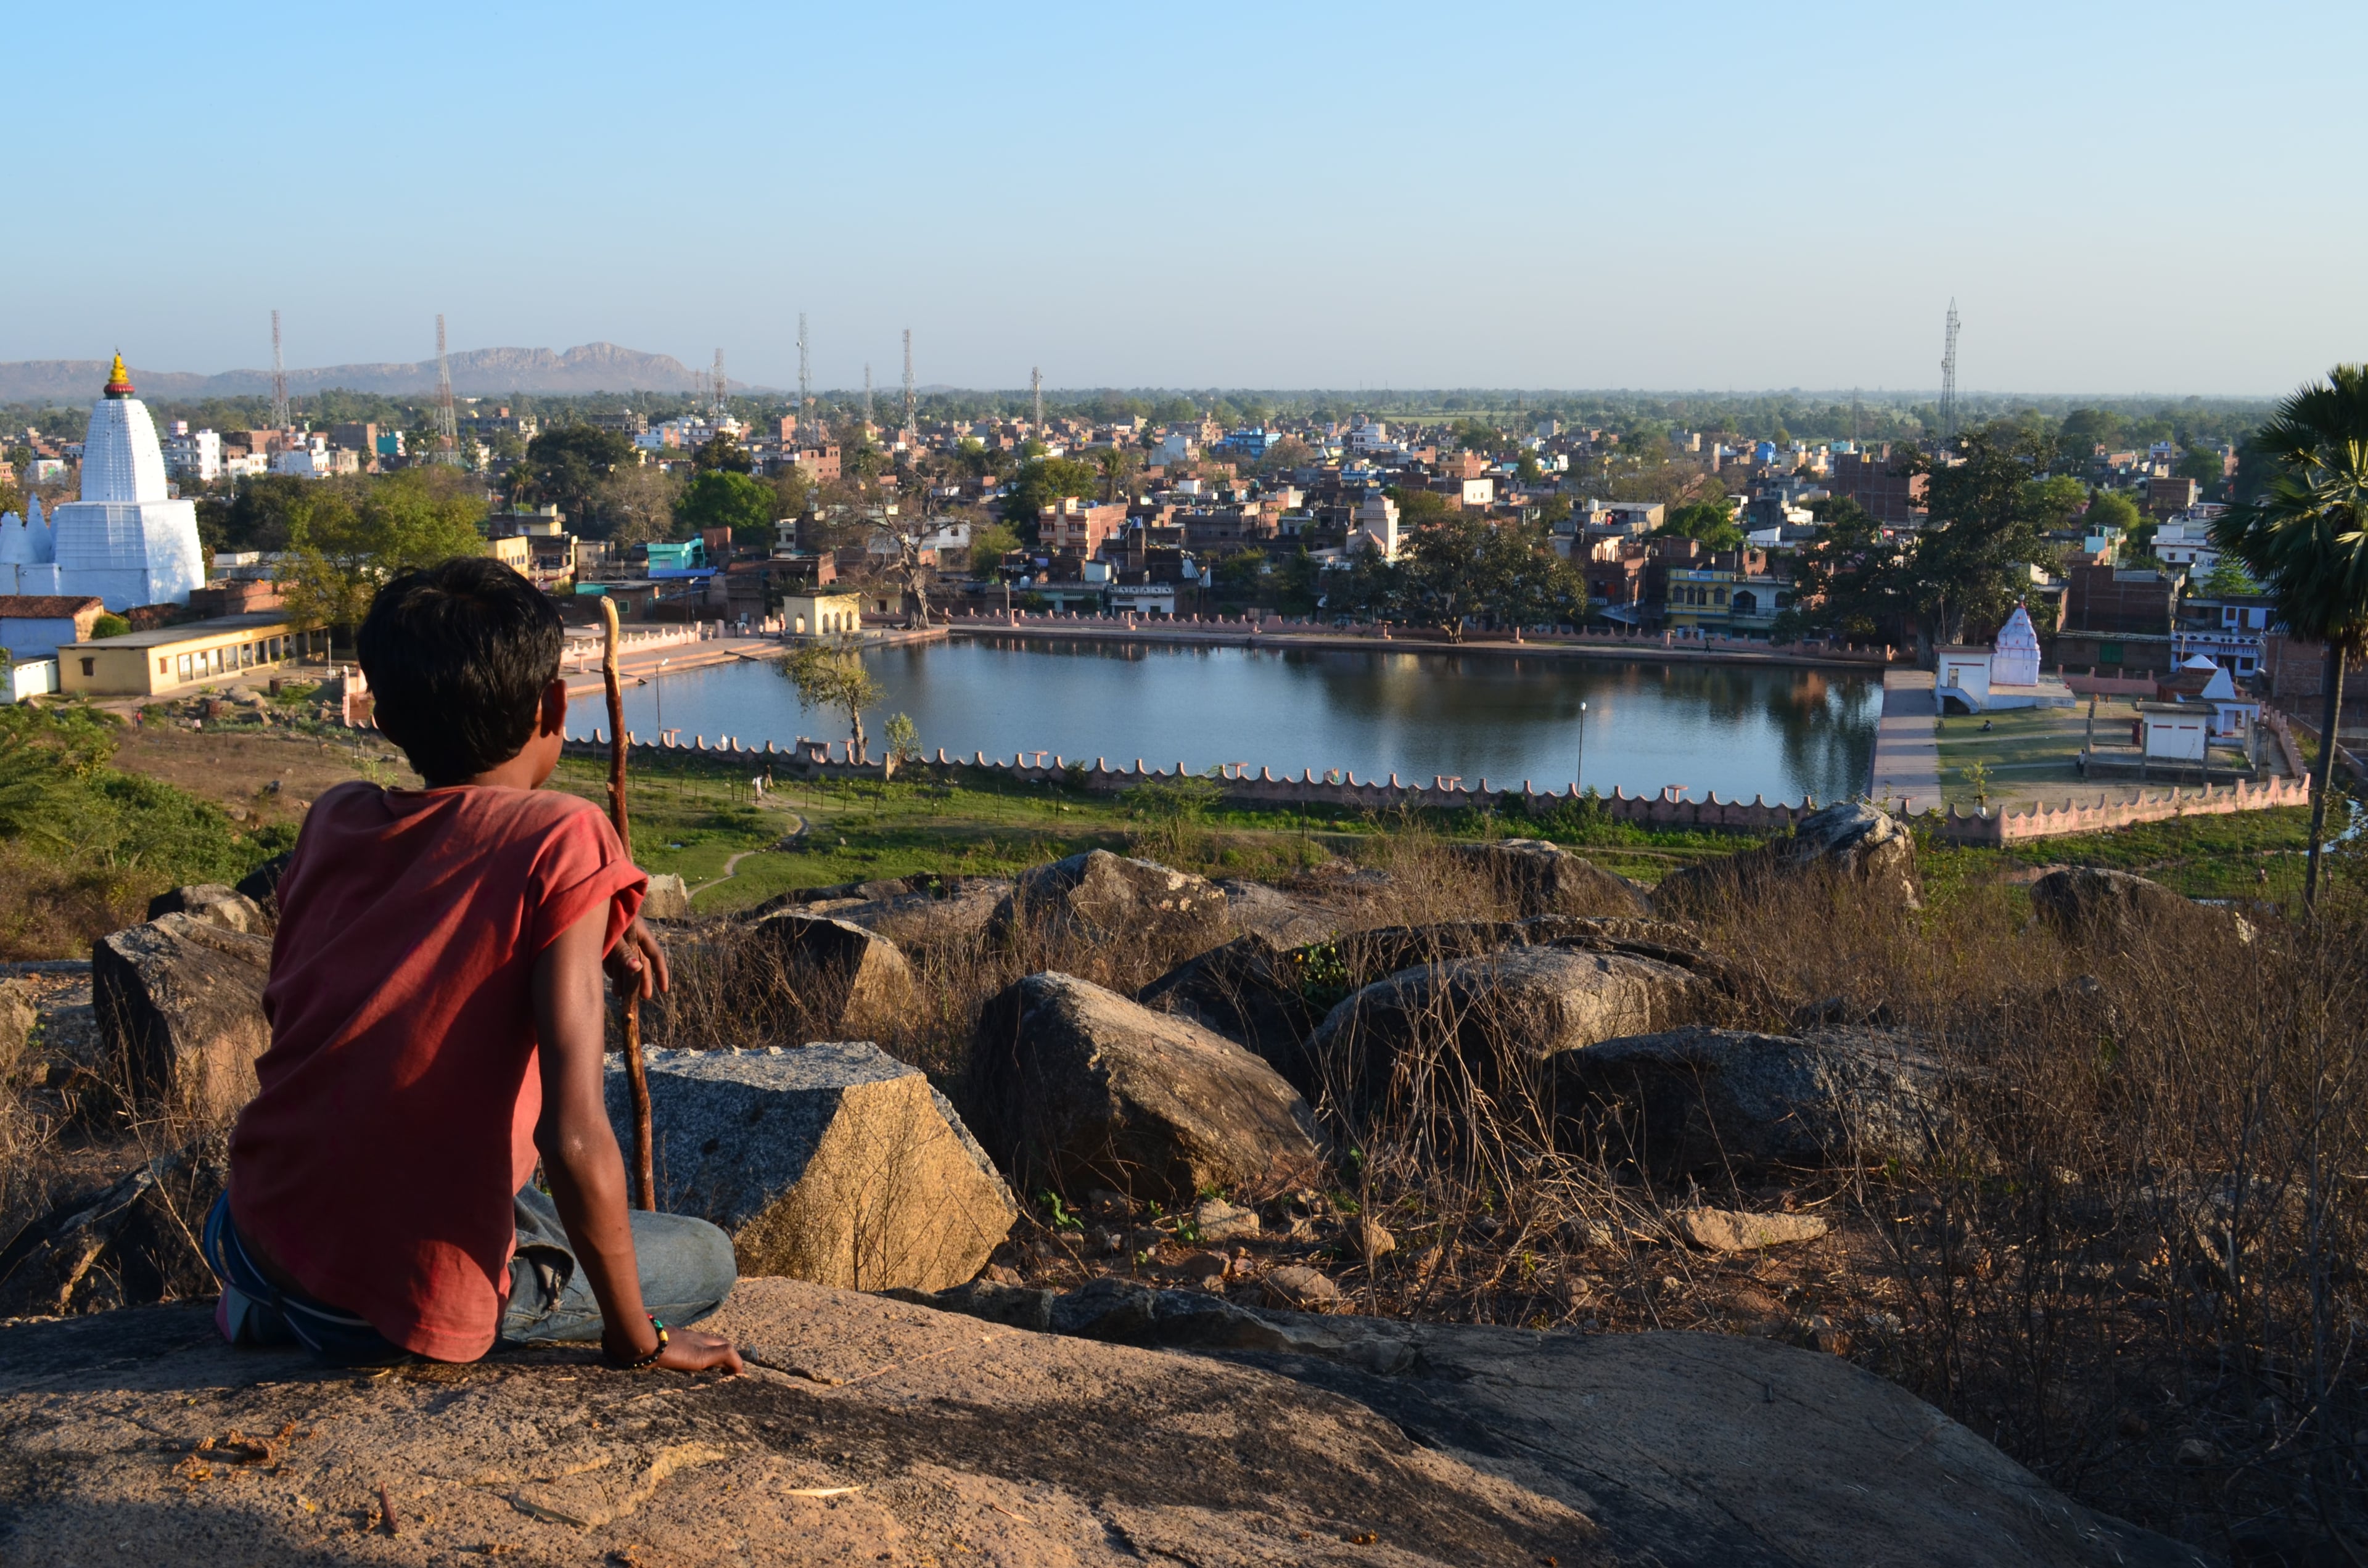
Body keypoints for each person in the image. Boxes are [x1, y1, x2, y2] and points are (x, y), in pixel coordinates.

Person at [205, 556, 743, 1375]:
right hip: (389, 1301)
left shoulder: (336, 819)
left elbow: (323, 1013)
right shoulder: (563, 837)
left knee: (445, 1186)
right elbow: (570, 1135)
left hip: (256, 1233)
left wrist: (591, 925)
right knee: (705, 1259)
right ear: (555, 707)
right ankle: (381, 1311)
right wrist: (639, 1338)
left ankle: (283, 1302)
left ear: (382, 716)